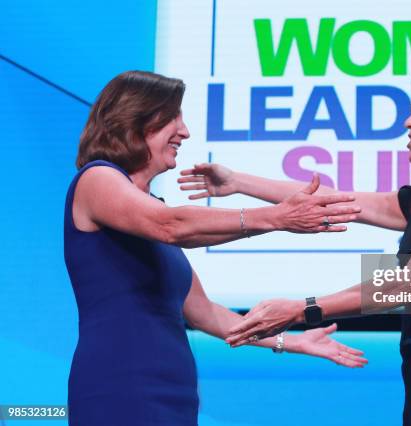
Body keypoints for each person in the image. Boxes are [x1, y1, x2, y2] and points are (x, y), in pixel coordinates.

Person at [178, 65, 411, 426]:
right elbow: (339, 200)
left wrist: (302, 310)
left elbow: (407, 282)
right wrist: (237, 181)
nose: (408, 122)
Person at [63, 70, 367, 426]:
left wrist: (291, 342)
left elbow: (204, 312)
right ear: (134, 120)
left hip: (174, 391)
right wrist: (277, 217)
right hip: (119, 386)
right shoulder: (97, 179)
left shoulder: (154, 210)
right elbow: (172, 225)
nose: (185, 131)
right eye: (172, 118)